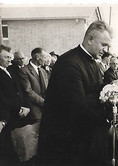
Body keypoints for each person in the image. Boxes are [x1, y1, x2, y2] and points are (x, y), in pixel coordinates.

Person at [37, 20, 113, 166]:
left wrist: (110, 89)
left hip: (83, 137)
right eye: (104, 45)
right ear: (90, 39)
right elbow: (77, 106)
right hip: (66, 143)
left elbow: (96, 90)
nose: (106, 50)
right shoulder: (69, 62)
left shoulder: (92, 62)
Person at [0, 45, 30, 165]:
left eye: (10, 57)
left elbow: (21, 90)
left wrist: (26, 107)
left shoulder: (11, 70)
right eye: (6, 57)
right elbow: (2, 97)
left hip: (18, 116)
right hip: (6, 117)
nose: (10, 60)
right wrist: (18, 109)